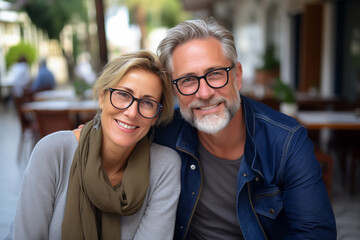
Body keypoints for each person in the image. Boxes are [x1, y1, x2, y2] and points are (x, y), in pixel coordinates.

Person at [153, 18, 337, 239]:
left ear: (237, 76)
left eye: (215, 74)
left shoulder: (286, 141)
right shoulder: (162, 133)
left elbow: (315, 233)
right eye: (188, 80)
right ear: (174, 89)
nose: (204, 93)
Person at [3, 50, 181, 240]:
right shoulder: (54, 152)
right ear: (102, 98)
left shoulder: (164, 166)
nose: (131, 112)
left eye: (147, 103)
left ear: (156, 116)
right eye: (123, 94)